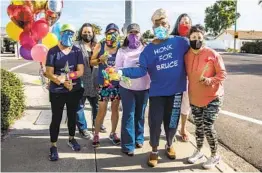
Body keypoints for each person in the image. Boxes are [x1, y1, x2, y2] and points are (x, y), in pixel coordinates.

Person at [118, 9, 190, 167]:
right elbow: (140, 71)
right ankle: (155, 150)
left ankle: (170, 144)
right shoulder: (148, 50)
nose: (160, 27)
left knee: (172, 122)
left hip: (176, 92)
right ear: (152, 28)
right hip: (157, 92)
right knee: (155, 122)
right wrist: (121, 72)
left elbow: (195, 54)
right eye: (157, 24)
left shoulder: (180, 42)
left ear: (169, 24)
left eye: (163, 23)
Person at [185, 24, 226, 169]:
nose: (196, 40)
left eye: (199, 37)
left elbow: (222, 74)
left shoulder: (212, 54)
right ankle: (199, 151)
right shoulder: (187, 56)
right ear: (189, 38)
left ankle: (215, 155)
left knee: (208, 126)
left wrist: (210, 80)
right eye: (193, 37)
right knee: (198, 127)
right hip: (195, 98)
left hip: (213, 97)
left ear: (203, 39)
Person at [45, 24, 84, 161]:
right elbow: (48, 73)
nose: (69, 35)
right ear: (60, 34)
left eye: (71, 33)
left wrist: (68, 78)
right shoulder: (53, 51)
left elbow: (80, 71)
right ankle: (53, 145)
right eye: (66, 32)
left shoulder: (77, 51)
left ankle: (71, 139)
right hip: (57, 91)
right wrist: (61, 81)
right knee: (56, 117)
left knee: (72, 116)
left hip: (74, 89)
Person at [115, 23, 150, 156]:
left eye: (136, 32)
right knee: (128, 115)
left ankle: (139, 138)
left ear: (140, 34)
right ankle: (128, 145)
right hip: (127, 88)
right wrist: (119, 73)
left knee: (140, 114)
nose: (134, 35)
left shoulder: (146, 49)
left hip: (144, 87)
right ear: (127, 35)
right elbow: (117, 69)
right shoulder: (122, 50)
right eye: (131, 33)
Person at [90, 23, 121, 147]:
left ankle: (113, 133)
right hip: (104, 85)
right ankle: (96, 134)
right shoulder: (100, 45)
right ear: (106, 34)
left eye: (114, 32)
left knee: (115, 109)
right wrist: (99, 60)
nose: (112, 34)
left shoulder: (121, 46)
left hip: (117, 84)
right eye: (109, 32)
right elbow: (91, 62)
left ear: (118, 34)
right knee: (101, 110)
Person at [74, 23, 106, 139]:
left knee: (96, 105)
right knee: (79, 106)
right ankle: (83, 129)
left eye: (89, 32)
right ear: (81, 33)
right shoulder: (76, 46)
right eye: (85, 32)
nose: (87, 34)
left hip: (95, 81)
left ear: (93, 34)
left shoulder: (97, 46)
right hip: (80, 81)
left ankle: (97, 124)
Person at [170, 13, 192, 142]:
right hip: (174, 78)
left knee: (185, 105)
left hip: (188, 78)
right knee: (174, 105)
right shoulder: (172, 39)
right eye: (182, 21)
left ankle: (183, 128)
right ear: (178, 24)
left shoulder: (193, 40)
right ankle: (171, 130)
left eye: (187, 22)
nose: (185, 24)